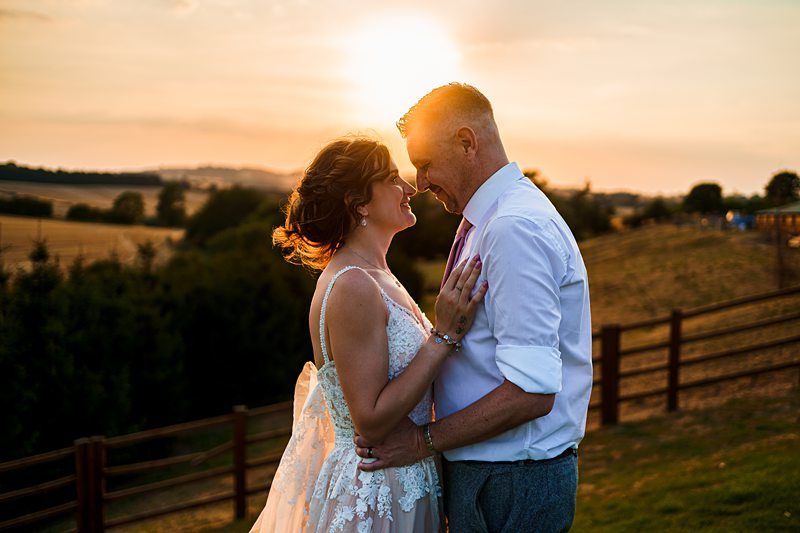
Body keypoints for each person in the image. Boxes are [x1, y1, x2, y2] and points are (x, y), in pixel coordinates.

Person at [354, 83, 593, 532]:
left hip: (511, 481)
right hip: (495, 474)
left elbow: (532, 392)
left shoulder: (512, 228)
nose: (420, 183)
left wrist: (421, 442)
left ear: (466, 142)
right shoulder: (489, 220)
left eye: (425, 165)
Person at [249, 137, 488, 532]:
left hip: (407, 481)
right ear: (358, 202)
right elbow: (371, 422)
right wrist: (441, 337)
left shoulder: (378, 275)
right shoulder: (352, 285)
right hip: (378, 493)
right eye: (393, 179)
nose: (410, 189)